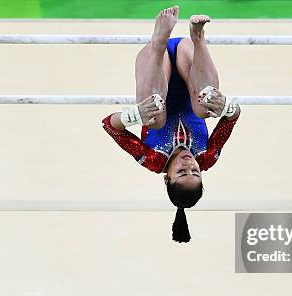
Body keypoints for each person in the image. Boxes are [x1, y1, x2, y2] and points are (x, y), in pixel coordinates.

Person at [102, 6, 241, 243]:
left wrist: (135, 115)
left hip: (155, 65)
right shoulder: (208, 156)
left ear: (167, 177)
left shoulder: (154, 160)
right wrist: (227, 106)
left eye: (181, 172)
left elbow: (109, 125)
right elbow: (233, 117)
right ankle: (198, 37)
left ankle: (158, 42)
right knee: (206, 108)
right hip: (189, 62)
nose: (190, 164)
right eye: (195, 171)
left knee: (155, 118)